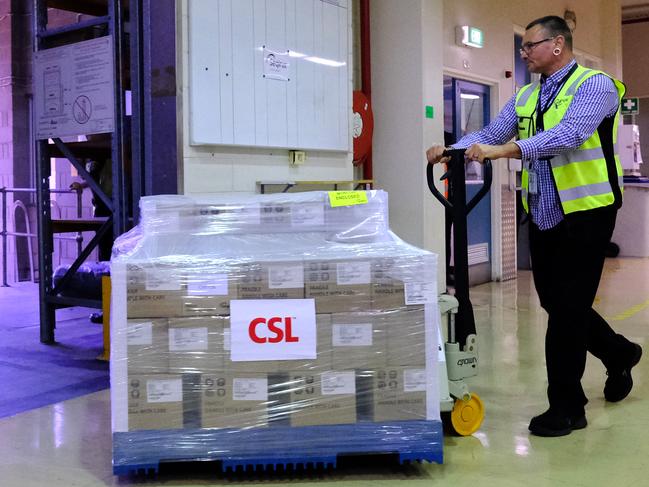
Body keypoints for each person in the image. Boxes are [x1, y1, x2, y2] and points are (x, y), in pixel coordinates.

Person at [426, 15, 642, 437]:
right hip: (544, 211)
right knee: (558, 305)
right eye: (523, 47)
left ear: (557, 44)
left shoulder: (595, 86)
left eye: (530, 45)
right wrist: (449, 147)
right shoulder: (527, 96)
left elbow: (570, 135)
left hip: (588, 212)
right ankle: (619, 353)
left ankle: (567, 406)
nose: (524, 53)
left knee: (565, 310)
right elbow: (491, 131)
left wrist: (503, 151)